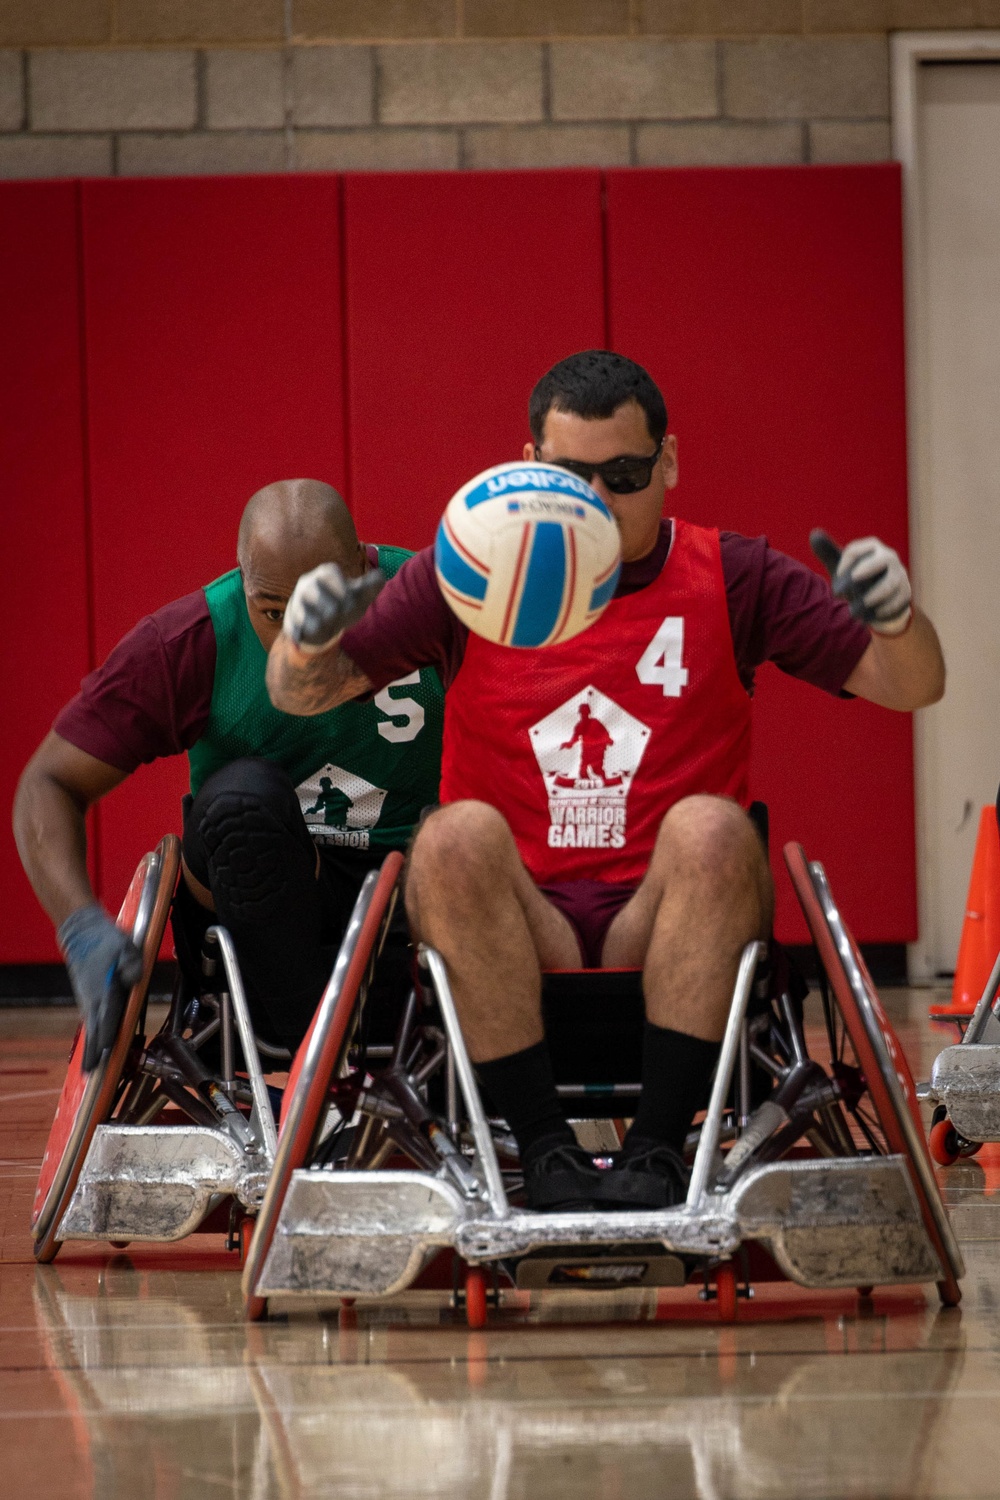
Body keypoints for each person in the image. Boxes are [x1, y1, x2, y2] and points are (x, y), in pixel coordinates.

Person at [265, 351, 945, 1213]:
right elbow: (301, 693)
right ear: (527, 466)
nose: (593, 497)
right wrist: (304, 640)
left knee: (712, 827)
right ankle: (545, 1152)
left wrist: (896, 619)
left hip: (661, 924)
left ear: (667, 464)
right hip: (519, 924)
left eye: (621, 475)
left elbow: (912, 684)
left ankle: (658, 1153)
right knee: (449, 834)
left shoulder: (733, 576)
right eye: (567, 475)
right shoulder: (470, 573)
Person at [13, 479, 444, 1069]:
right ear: (240, 583)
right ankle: (316, 1070)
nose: (301, 636)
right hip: (258, 895)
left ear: (362, 568)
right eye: (272, 611)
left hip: (411, 889)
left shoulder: (430, 600)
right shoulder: (191, 640)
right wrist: (80, 925)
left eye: (326, 604)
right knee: (241, 804)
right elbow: (48, 782)